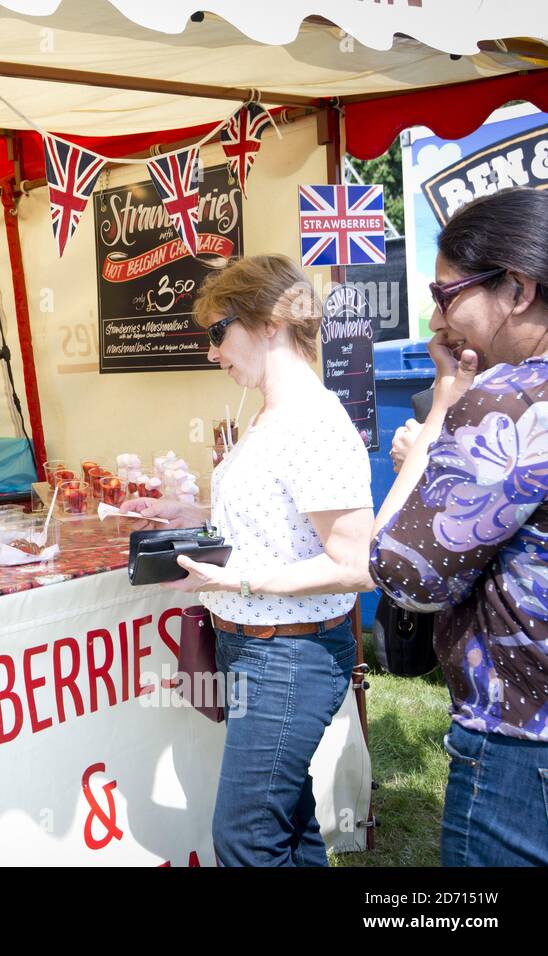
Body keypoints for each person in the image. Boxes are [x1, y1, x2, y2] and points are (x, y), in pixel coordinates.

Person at [124, 254, 374, 866]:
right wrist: (189, 518)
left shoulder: (310, 422)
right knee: (288, 826)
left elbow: (359, 562)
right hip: (260, 647)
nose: (211, 353)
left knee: (246, 838)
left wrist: (240, 579)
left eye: (218, 332)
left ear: (267, 323)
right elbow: (277, 526)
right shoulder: (271, 415)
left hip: (287, 654)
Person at [371, 187, 548, 867]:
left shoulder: (511, 400)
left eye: (446, 296)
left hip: (520, 737)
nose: (436, 317)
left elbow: (403, 572)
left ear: (517, 289)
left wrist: (438, 425)